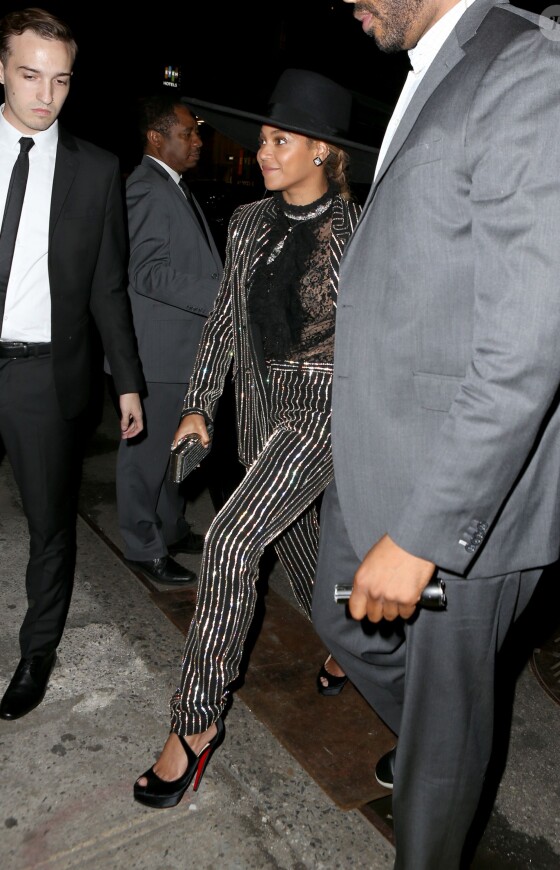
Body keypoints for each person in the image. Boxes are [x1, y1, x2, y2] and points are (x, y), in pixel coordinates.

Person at [311, 1, 560, 868]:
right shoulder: (432, 65)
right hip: (384, 447)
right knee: (340, 621)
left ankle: (441, 762)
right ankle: (445, 745)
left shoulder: (530, 66)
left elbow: (526, 344)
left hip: (474, 483)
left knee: (443, 719)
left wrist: (426, 536)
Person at [132, 68, 379, 808]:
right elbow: (224, 323)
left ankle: (194, 725)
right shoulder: (247, 223)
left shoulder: (356, 234)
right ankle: (349, 646)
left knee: (232, 542)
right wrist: (200, 404)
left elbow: (383, 346)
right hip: (264, 416)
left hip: (325, 415)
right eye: (264, 137)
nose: (262, 151)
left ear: (324, 152)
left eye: (280, 140)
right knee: (304, 563)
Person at [0, 8, 145, 721]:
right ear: (1, 70)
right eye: (30, 75)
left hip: (43, 377)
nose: (44, 96)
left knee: (51, 523)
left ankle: (37, 652)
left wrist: (128, 380)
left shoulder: (96, 169)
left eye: (59, 81)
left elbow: (107, 285)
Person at [115, 94, 223, 586]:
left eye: (197, 132)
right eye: (188, 133)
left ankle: (171, 527)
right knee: (145, 458)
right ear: (157, 137)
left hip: (181, 353)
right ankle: (142, 545)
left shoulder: (173, 185)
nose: (198, 140)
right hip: (158, 355)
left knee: (176, 450)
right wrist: (223, 292)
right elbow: (148, 274)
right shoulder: (145, 187)